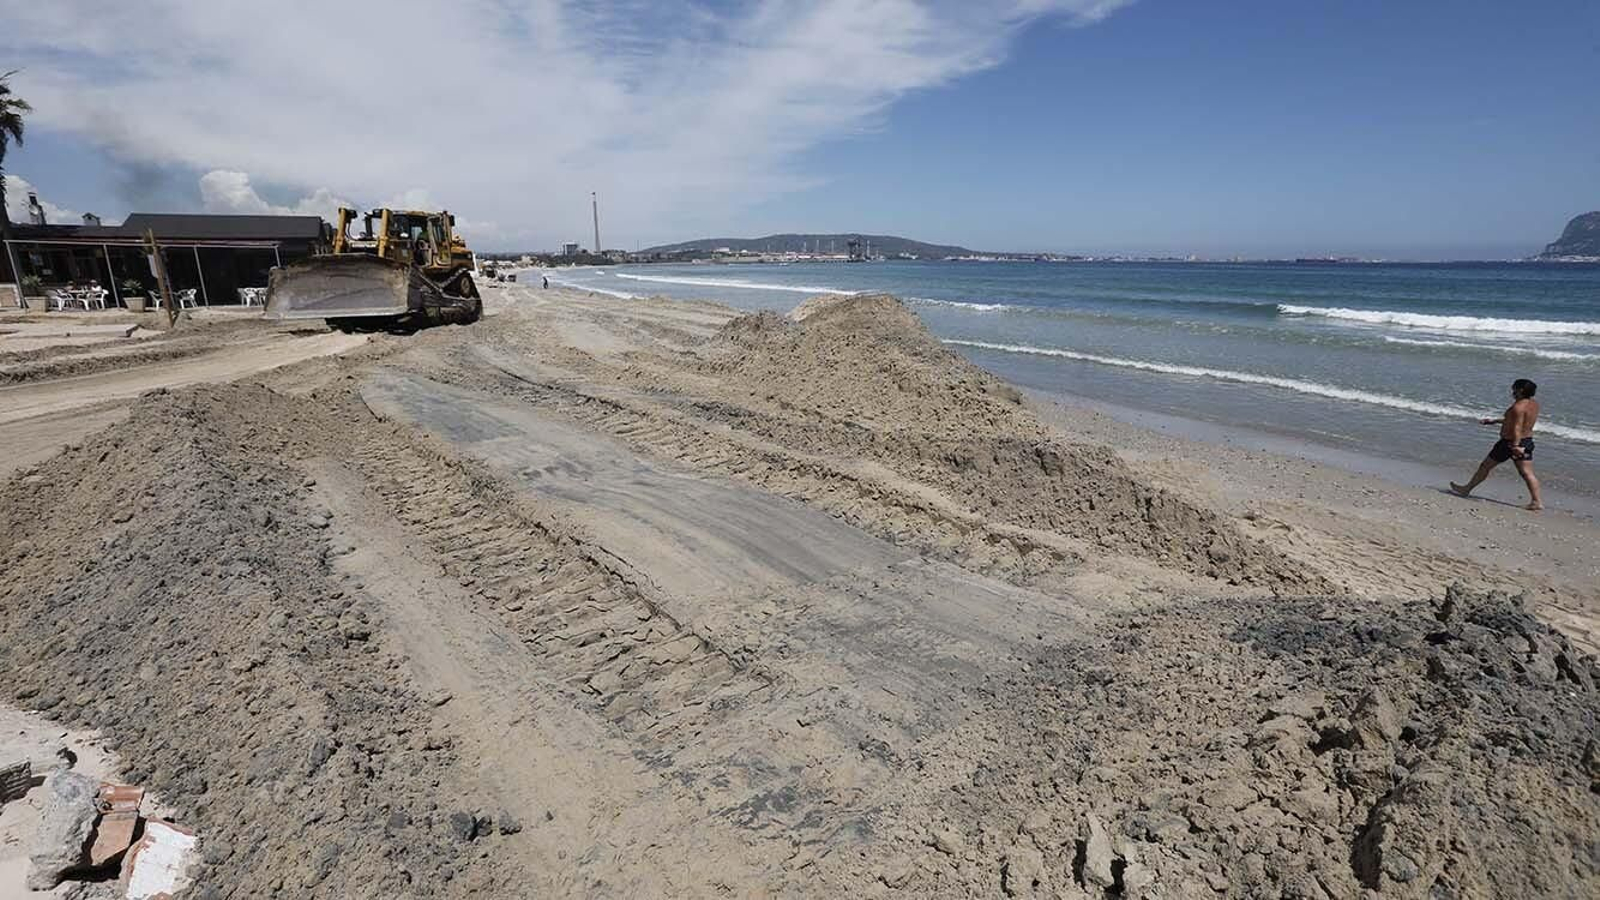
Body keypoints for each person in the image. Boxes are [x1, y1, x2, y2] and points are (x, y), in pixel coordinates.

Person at [1451, 378, 1542, 511]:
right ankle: (1537, 501)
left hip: (1510, 444)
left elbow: (1516, 428)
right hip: (1526, 441)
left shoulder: (1517, 407)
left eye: (1514, 388)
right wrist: (1495, 421)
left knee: (1485, 466)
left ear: (1520, 390)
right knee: (1527, 473)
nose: (1512, 390)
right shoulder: (1534, 404)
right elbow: (1518, 421)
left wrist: (1515, 446)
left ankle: (1466, 489)